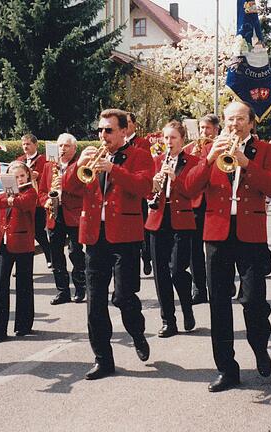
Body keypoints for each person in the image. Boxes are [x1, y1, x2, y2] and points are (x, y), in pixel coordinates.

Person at [185, 101, 271, 392]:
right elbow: (188, 188)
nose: (234, 125)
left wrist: (246, 163)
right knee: (219, 307)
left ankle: (260, 346)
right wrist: (209, 158)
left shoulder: (267, 151)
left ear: (251, 123)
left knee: (252, 301)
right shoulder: (208, 150)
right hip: (217, 236)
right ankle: (227, 369)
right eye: (229, 120)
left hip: (250, 235)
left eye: (240, 119)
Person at [73, 108, 154, 380]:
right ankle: (102, 359)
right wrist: (76, 165)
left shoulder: (139, 156)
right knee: (94, 302)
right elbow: (71, 190)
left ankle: (137, 332)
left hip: (126, 236)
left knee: (122, 296)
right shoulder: (91, 156)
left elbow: (145, 187)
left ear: (123, 131)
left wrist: (114, 169)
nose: (102, 135)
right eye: (100, 130)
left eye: (108, 130)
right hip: (95, 236)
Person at [145, 120, 199, 338]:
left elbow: (191, 191)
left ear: (182, 140)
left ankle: (187, 307)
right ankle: (168, 320)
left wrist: (174, 179)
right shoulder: (156, 160)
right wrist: (154, 185)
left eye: (173, 138)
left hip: (181, 220)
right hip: (158, 218)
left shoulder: (193, 161)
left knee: (177, 270)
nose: (168, 142)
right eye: (166, 138)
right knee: (161, 274)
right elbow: (147, 193)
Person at [0, 161, 38, 342]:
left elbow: (21, 203)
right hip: (5, 244)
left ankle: (23, 325)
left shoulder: (30, 192)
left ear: (27, 177)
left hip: (23, 243)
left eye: (22, 176)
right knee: (1, 284)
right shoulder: (5, 194)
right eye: (15, 177)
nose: (19, 179)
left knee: (24, 285)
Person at [39, 133, 87, 305]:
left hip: (73, 214)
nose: (63, 149)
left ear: (74, 148)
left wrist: (64, 186)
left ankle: (81, 288)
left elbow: (84, 190)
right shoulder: (48, 166)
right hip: (54, 214)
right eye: (60, 146)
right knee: (56, 255)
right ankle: (62, 291)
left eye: (67, 146)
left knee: (75, 253)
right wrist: (46, 202)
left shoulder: (80, 165)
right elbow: (42, 191)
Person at [184, 114, 220, 305]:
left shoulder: (223, 147)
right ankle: (199, 287)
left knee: (218, 249)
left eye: (207, 128)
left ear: (216, 130)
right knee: (194, 248)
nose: (203, 132)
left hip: (215, 202)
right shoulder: (191, 149)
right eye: (201, 128)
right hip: (196, 203)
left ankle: (224, 282)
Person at [16, 134, 51, 268]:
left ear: (35, 145)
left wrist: (39, 175)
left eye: (28, 144)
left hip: (37, 202)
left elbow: (49, 178)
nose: (25, 147)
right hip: (23, 201)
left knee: (39, 232)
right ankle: (22, 262)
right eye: (23, 144)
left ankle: (49, 257)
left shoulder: (43, 160)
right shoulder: (20, 160)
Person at [126, 112, 153, 276]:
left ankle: (147, 256)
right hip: (124, 192)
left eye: (129, 122)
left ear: (134, 125)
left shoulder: (141, 143)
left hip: (138, 194)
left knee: (143, 228)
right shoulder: (117, 143)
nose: (126, 126)